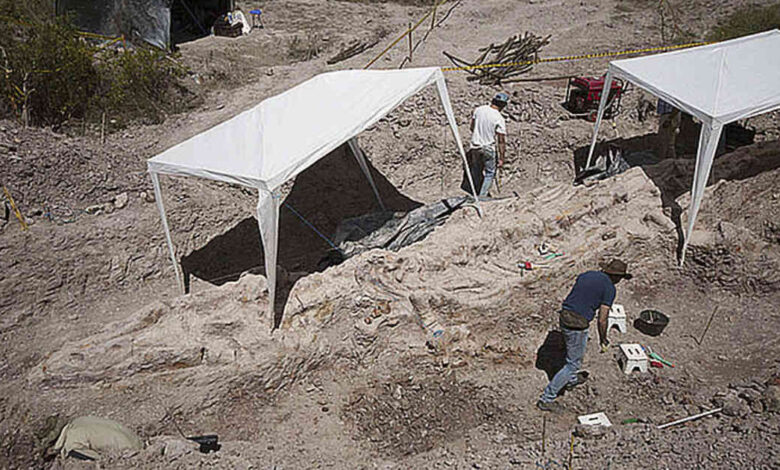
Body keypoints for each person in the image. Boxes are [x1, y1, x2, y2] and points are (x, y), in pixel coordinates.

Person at [536, 259, 633, 412]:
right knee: (573, 363)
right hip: (577, 323)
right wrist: (603, 339)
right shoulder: (609, 288)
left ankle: (572, 379)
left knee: (572, 353)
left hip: (564, 315)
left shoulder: (587, 275)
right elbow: (602, 318)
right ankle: (547, 398)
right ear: (617, 277)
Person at [462, 92, 508, 198]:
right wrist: (501, 158)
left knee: (476, 170)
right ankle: (482, 196)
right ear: (503, 105)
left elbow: (472, 127)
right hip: (488, 148)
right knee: (489, 173)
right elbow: (501, 141)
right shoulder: (499, 118)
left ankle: (474, 192)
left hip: (475, 146)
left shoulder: (479, 110)